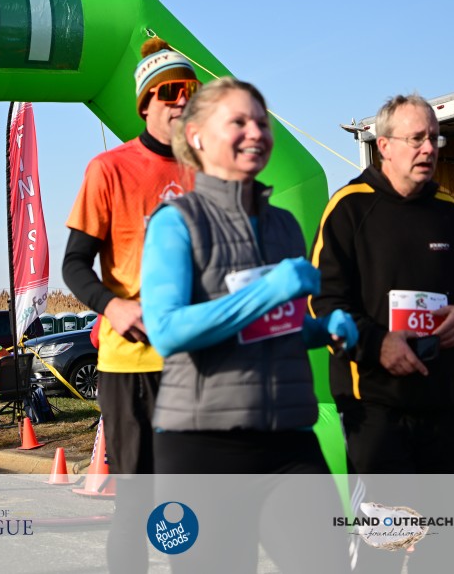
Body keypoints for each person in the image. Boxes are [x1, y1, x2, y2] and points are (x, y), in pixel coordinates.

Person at [141, 77, 354, 573]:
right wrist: (270, 290)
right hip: (203, 448)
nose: (256, 132)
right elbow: (167, 330)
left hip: (289, 439)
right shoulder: (175, 222)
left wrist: (321, 330)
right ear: (196, 136)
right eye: (238, 122)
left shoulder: (284, 225)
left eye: (262, 121)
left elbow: (273, 328)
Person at [309, 94, 454, 574]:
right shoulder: (349, 208)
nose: (429, 148)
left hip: (441, 405)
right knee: (383, 551)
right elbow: (321, 303)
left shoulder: (449, 213)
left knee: (441, 551)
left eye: (434, 138)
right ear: (384, 145)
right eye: (416, 139)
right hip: (374, 409)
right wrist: (377, 344)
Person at [63, 37, 199, 572]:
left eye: (189, 90)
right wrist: (113, 307)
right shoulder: (109, 168)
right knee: (138, 503)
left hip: (195, 362)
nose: (180, 99)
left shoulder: (210, 172)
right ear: (145, 103)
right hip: (131, 363)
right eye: (167, 91)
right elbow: (75, 264)